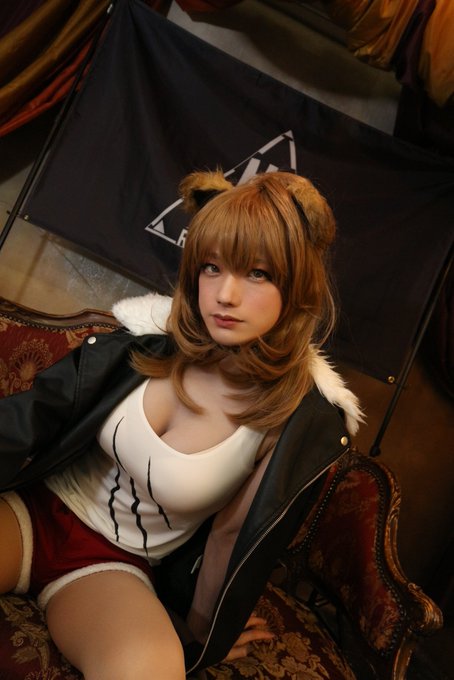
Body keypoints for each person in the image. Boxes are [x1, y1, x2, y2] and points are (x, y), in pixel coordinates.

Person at [0, 170, 363, 680]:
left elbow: (229, 537)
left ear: (298, 286)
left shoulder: (292, 425)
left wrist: (202, 632)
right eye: (212, 267)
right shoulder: (143, 342)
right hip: (31, 511)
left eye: (257, 273)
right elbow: (32, 414)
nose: (225, 294)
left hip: (108, 568)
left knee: (152, 671)